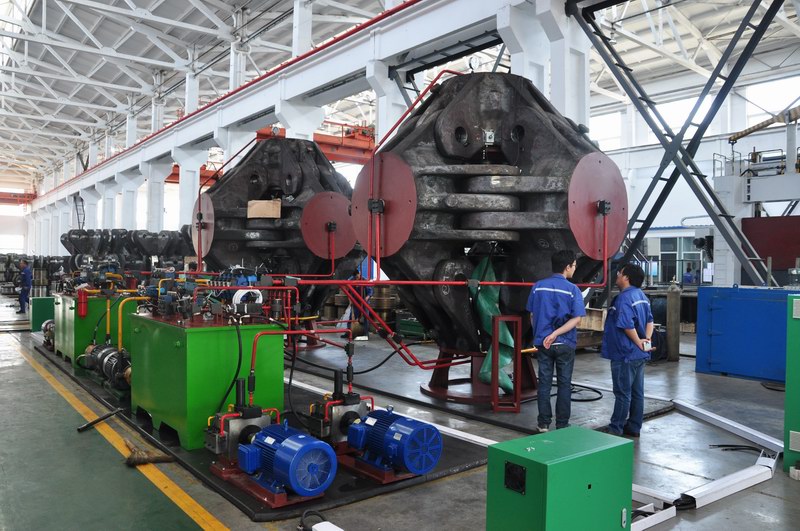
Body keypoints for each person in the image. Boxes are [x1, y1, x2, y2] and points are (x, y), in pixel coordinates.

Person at [526, 250, 586, 432]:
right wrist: (556, 334)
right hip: (565, 343)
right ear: (567, 267)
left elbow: (532, 315)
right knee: (564, 384)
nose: (574, 269)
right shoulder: (573, 290)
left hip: (543, 343)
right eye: (574, 266)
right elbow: (576, 319)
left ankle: (543, 423)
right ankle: (562, 424)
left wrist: (542, 335)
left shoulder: (538, 287)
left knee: (544, 383)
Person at [601, 263, 654, 437]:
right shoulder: (642, 296)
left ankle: (615, 429)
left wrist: (638, 342)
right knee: (637, 393)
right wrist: (646, 341)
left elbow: (626, 325)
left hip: (625, 354)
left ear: (626, 277)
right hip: (639, 354)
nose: (617, 275)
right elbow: (650, 321)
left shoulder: (624, 298)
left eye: (620, 273)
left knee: (622, 393)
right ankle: (634, 427)